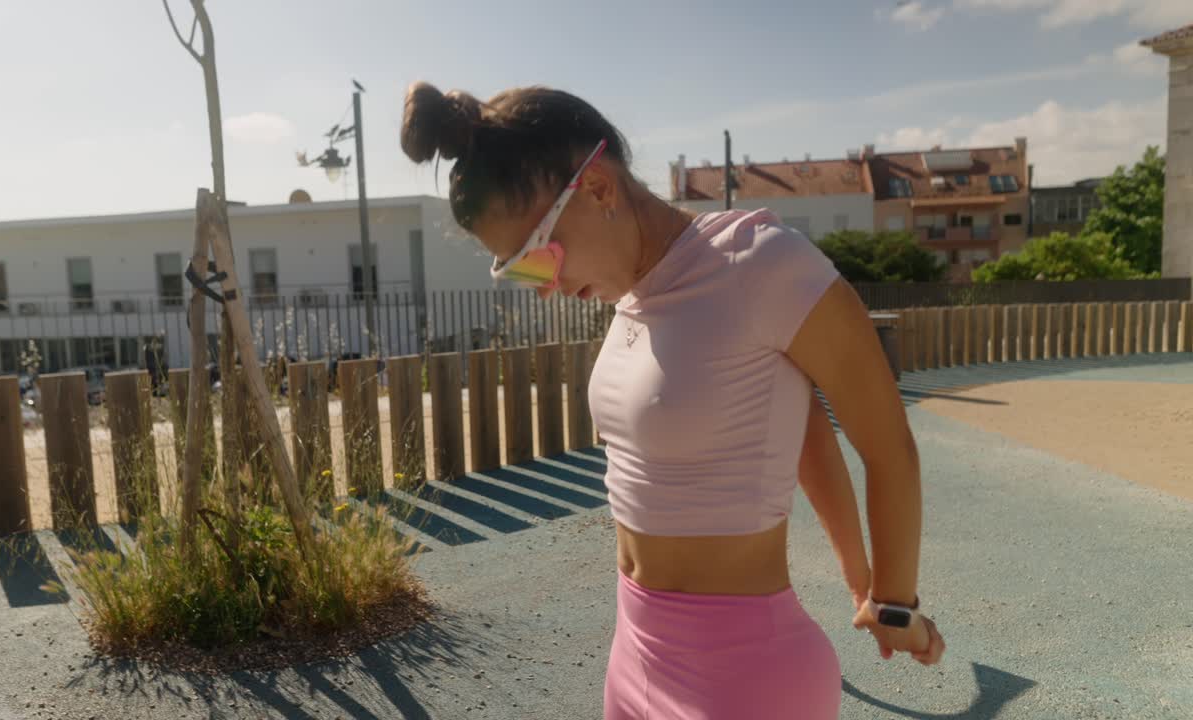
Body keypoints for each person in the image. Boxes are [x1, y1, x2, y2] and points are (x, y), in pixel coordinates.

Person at [400, 81, 945, 719]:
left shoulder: (762, 265)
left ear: (597, 188)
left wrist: (892, 601)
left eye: (535, 258)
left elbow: (889, 449)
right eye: (516, 271)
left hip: (746, 679)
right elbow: (795, 429)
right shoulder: (635, 294)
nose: (541, 289)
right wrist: (858, 577)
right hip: (634, 654)